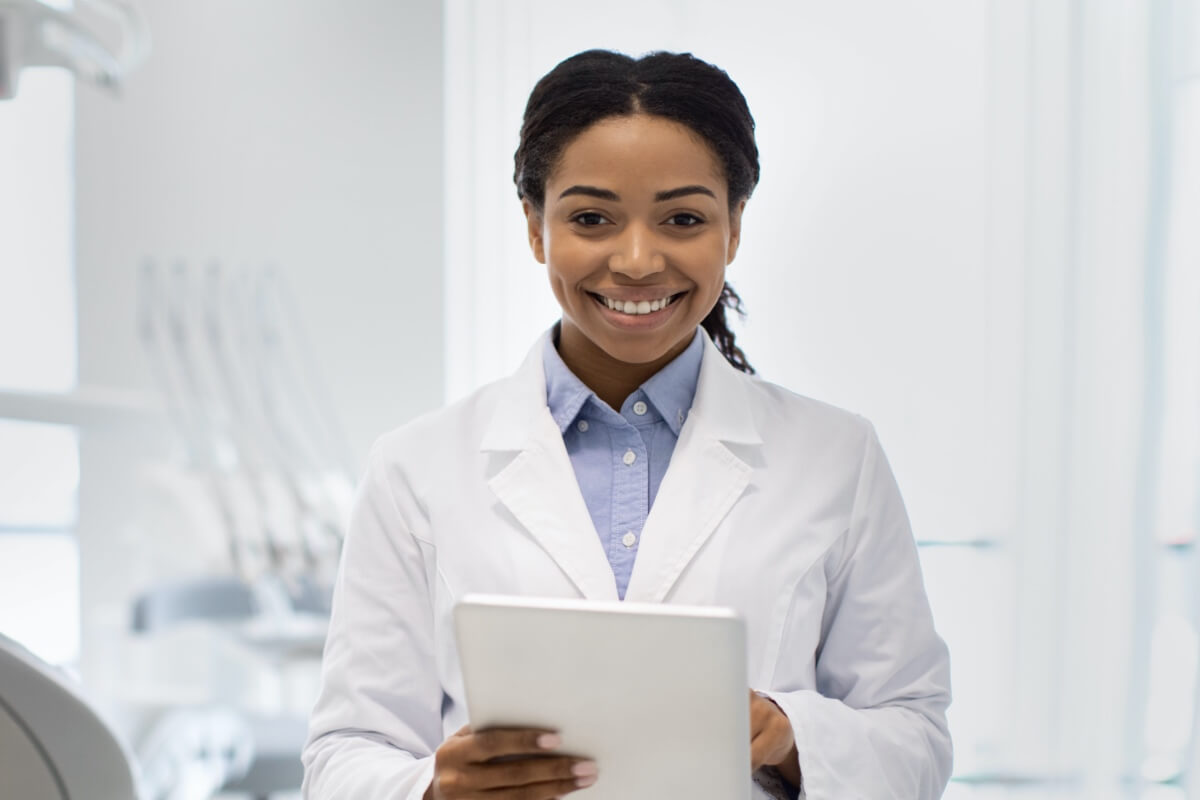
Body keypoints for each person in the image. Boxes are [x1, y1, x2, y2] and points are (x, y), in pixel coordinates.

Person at [302, 49, 952, 800]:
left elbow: (915, 738)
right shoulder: (417, 467)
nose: (638, 260)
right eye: (591, 218)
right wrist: (428, 790)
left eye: (683, 218)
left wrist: (790, 734)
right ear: (535, 227)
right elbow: (345, 752)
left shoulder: (838, 457)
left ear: (734, 227)